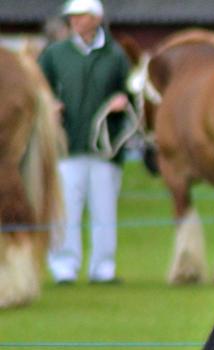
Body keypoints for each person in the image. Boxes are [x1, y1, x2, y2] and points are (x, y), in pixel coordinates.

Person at [38, 0, 130, 285]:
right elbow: (40, 86)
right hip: (67, 146)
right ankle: (64, 268)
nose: (76, 21)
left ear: (96, 18)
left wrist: (122, 100)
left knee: (104, 211)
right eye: (73, 17)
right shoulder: (55, 54)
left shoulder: (115, 55)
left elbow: (131, 90)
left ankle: (103, 269)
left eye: (82, 16)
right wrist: (49, 104)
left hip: (105, 149)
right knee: (67, 210)